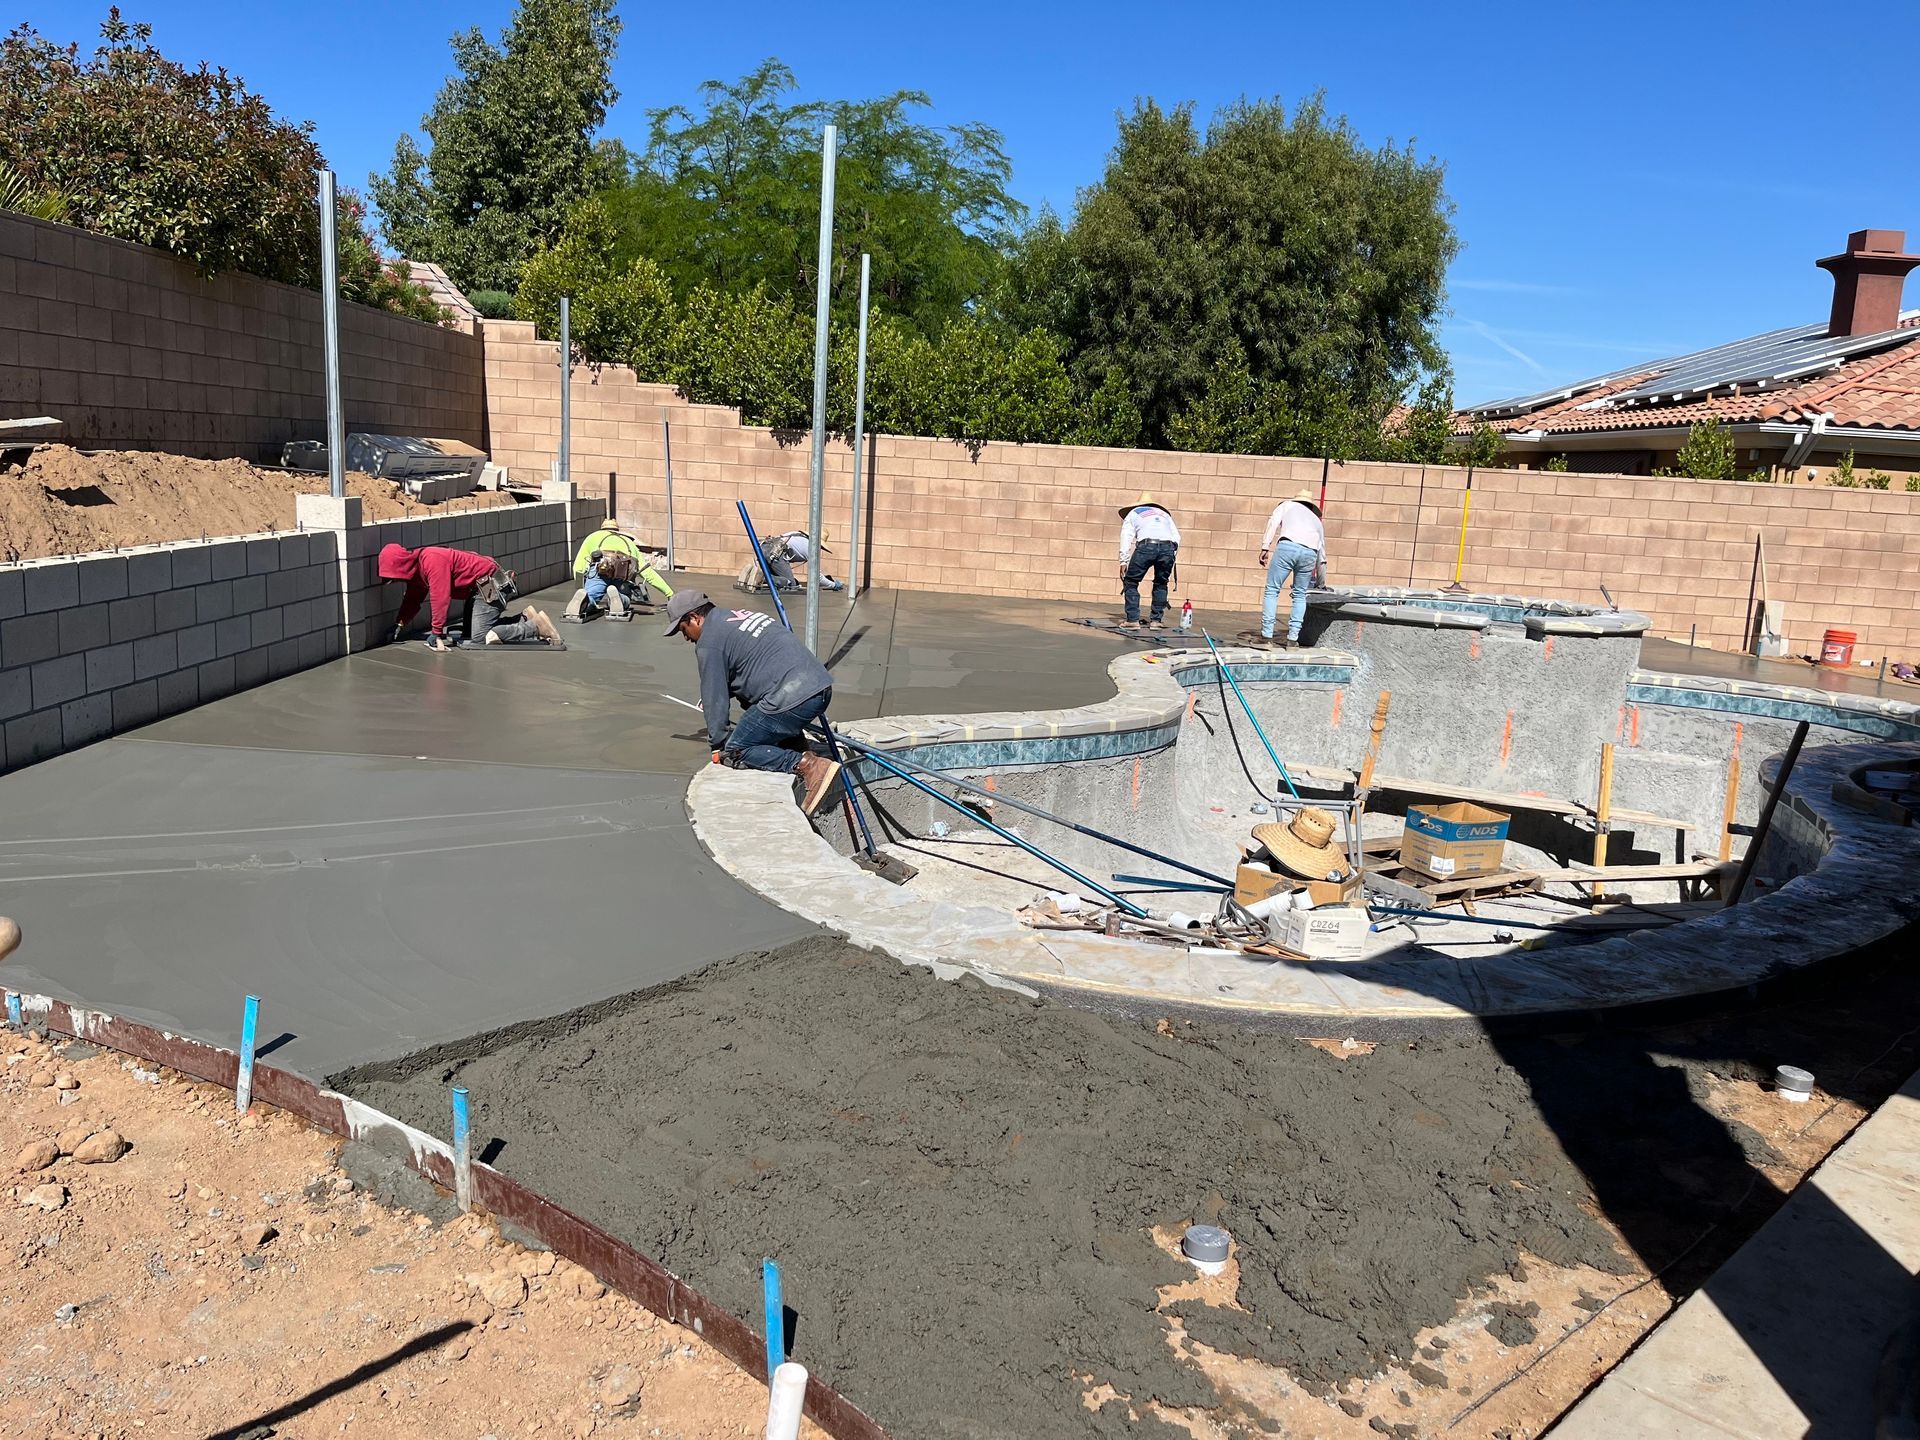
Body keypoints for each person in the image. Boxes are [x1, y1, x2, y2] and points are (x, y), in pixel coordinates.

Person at [664, 589, 842, 812]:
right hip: (819, 687)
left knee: (737, 749)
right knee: (758, 710)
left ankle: (810, 766)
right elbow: (752, 666)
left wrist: (720, 744)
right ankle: (801, 750)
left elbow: (714, 699)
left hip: (794, 698)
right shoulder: (737, 616)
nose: (686, 637)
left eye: (683, 629)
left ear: (694, 618)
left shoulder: (709, 642)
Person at [377, 543, 563, 651]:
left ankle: (535, 627)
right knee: (469, 633)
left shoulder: (431, 560)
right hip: (480, 589)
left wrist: (436, 632)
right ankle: (524, 617)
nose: (394, 582)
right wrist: (399, 623)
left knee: (479, 638)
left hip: (490, 585)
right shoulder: (418, 572)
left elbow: (440, 596)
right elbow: (412, 599)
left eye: (393, 578)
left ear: (400, 567)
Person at [1244, 488, 1326, 649]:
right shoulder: (1317, 521)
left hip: (1287, 546)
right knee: (1299, 595)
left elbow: (1273, 522)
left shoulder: (1287, 505)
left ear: (1296, 500)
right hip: (1310, 553)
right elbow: (1322, 556)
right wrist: (1321, 583)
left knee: (1272, 590)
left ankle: (1266, 637)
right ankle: (1292, 639)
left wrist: (1265, 547)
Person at [566, 517, 671, 622]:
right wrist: (669, 593)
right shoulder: (629, 542)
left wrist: (581, 588)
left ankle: (585, 601)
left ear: (602, 528)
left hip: (600, 569)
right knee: (625, 597)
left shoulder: (592, 537)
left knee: (591, 595)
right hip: (622, 573)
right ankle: (619, 598)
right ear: (617, 530)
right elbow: (647, 572)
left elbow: (578, 567)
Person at [1116, 494, 1181, 627]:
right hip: (1168, 547)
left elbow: (1126, 536)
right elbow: (1177, 537)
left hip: (1147, 546)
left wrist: (1123, 561)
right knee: (1161, 583)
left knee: (1131, 581)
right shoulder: (1164, 514)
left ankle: (1132, 620)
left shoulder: (1134, 513)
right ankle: (1156, 621)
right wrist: (1172, 555)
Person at [737, 530, 844, 593]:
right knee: (791, 584)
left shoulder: (797, 535)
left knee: (784, 580)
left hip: (764, 548)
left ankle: (752, 573)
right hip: (775, 554)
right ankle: (762, 577)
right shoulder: (811, 547)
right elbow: (817, 577)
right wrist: (833, 585)